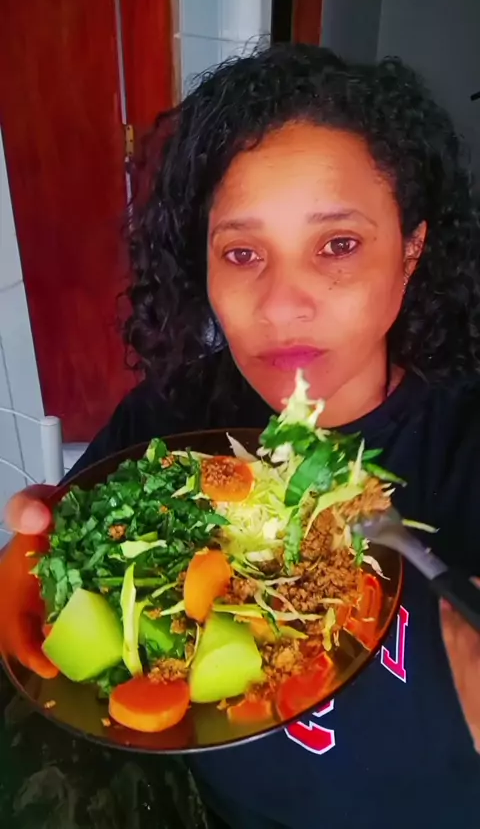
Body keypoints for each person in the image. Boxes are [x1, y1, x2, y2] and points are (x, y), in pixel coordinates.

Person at [5, 44, 480, 829]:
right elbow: (69, 578)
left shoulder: (463, 444)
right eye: (243, 253)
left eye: (338, 245)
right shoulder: (168, 420)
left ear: (411, 250)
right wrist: (51, 563)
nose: (283, 304)